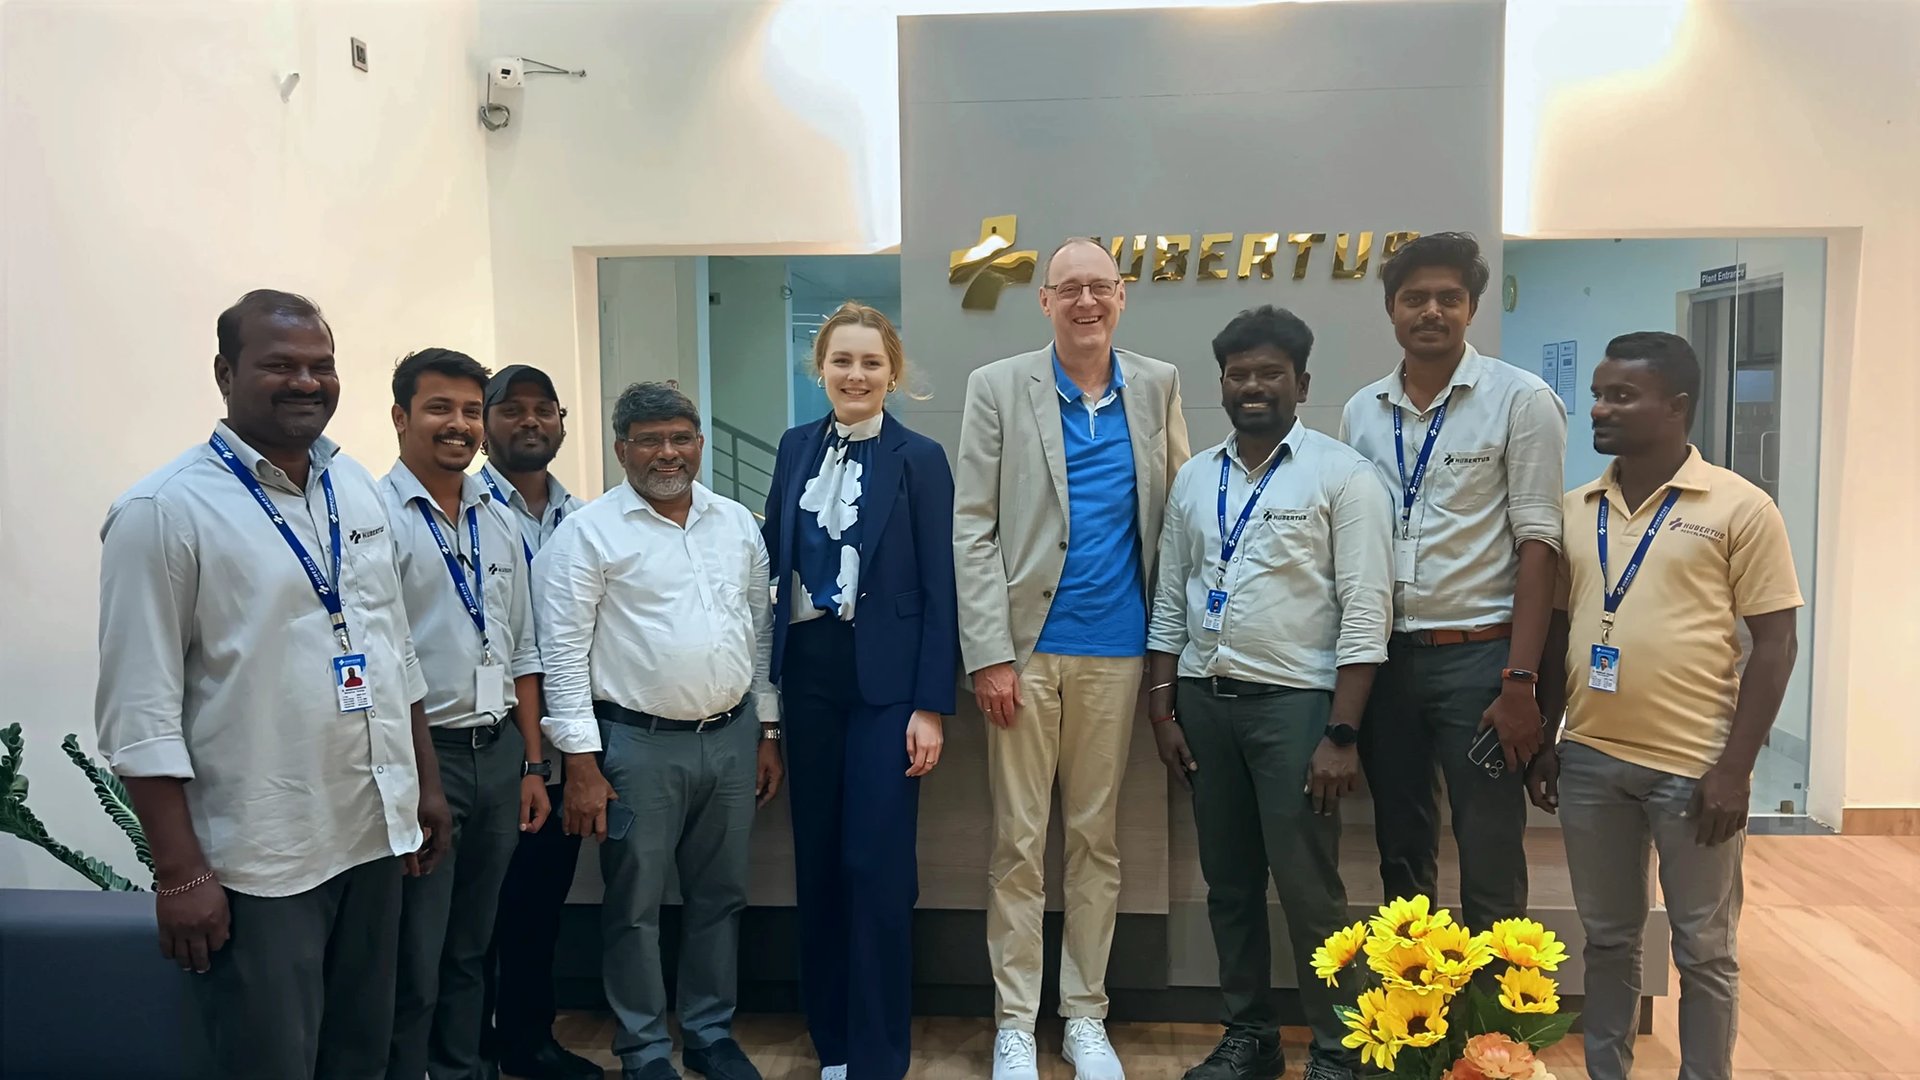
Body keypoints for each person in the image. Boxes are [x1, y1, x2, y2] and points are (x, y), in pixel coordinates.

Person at [94, 289, 451, 1079]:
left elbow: (395, 653)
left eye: (321, 366)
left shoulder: (352, 484)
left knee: (362, 1053)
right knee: (272, 1063)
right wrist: (181, 872)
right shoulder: (163, 511)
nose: (306, 382)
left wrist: (423, 784)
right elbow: (138, 713)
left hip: (370, 836)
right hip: (264, 858)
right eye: (280, 365)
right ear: (226, 374)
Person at [1530, 332, 1801, 1080]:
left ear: (1676, 406)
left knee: (1703, 948)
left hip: (1695, 769)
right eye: (1598, 392)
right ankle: (1606, 1072)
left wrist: (1735, 770)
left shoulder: (1741, 508)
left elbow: (1776, 645)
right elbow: (1558, 633)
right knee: (1609, 941)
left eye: (1621, 395)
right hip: (1589, 761)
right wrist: (1550, 737)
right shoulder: (1576, 508)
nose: (1600, 408)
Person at [953, 237, 1192, 1080]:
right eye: (1070, 289)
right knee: (1018, 843)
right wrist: (988, 653)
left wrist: (1176, 653)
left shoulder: (1158, 385)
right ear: (1045, 301)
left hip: (1118, 653)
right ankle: (1015, 1021)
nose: (1086, 302)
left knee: (1097, 840)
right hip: (1023, 654)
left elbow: (1180, 517)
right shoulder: (998, 388)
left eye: (1101, 287)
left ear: (1121, 297)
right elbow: (972, 527)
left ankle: (1085, 1013)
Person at [1148, 307, 1391, 1080]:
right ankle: (1249, 1038)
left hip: (1297, 711)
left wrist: (1341, 734)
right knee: (1228, 884)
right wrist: (1162, 706)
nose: (1252, 386)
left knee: (1311, 891)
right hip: (1205, 703)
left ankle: (1336, 1050)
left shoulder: (1341, 475)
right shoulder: (1195, 477)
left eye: (1270, 374)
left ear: (1302, 384)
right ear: (1221, 383)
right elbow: (1169, 598)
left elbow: (1365, 609)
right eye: (1239, 373)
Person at [534, 382, 784, 1080]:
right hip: (634, 746)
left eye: (679, 437)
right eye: (649, 440)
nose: (666, 452)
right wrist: (581, 762)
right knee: (635, 903)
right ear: (622, 449)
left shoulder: (736, 523)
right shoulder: (588, 534)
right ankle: (643, 1048)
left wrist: (767, 730)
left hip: (731, 738)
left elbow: (759, 635)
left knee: (721, 895)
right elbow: (561, 651)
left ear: (700, 444)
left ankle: (709, 1033)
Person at [1337, 231, 1567, 933]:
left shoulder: (1521, 401)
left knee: (1491, 851)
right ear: (1391, 309)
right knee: (1401, 855)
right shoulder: (1361, 412)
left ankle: (1497, 1035)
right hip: (1389, 659)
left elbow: (1540, 547)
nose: (1431, 311)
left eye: (1449, 298)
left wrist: (1521, 681)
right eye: (1415, 298)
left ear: (1471, 308)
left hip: (1481, 660)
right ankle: (1411, 1024)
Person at [762, 302, 958, 1080]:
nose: (856, 375)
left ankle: (877, 1055)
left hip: (886, 685)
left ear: (894, 373)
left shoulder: (921, 457)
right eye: (842, 361)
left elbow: (940, 587)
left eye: (871, 363)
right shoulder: (792, 447)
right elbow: (773, 564)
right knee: (819, 861)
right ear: (821, 369)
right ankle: (833, 1041)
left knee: (876, 867)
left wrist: (931, 703)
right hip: (808, 673)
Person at [381, 349, 548, 1080]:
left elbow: (524, 650)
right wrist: (419, 777)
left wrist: (534, 764)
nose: (459, 425)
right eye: (439, 408)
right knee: (417, 948)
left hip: (499, 750)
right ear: (400, 418)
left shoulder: (497, 518)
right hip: (426, 756)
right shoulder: (371, 517)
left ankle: (459, 1067)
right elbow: (386, 660)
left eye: (471, 411)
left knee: (474, 943)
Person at [477, 364, 599, 1080]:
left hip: (560, 738)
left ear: (561, 422)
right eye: (510, 410)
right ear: (487, 421)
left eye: (542, 411)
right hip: (486, 738)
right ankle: (465, 1046)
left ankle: (527, 1038)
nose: (529, 422)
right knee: (473, 913)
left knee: (537, 903)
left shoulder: (583, 519)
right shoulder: (464, 507)